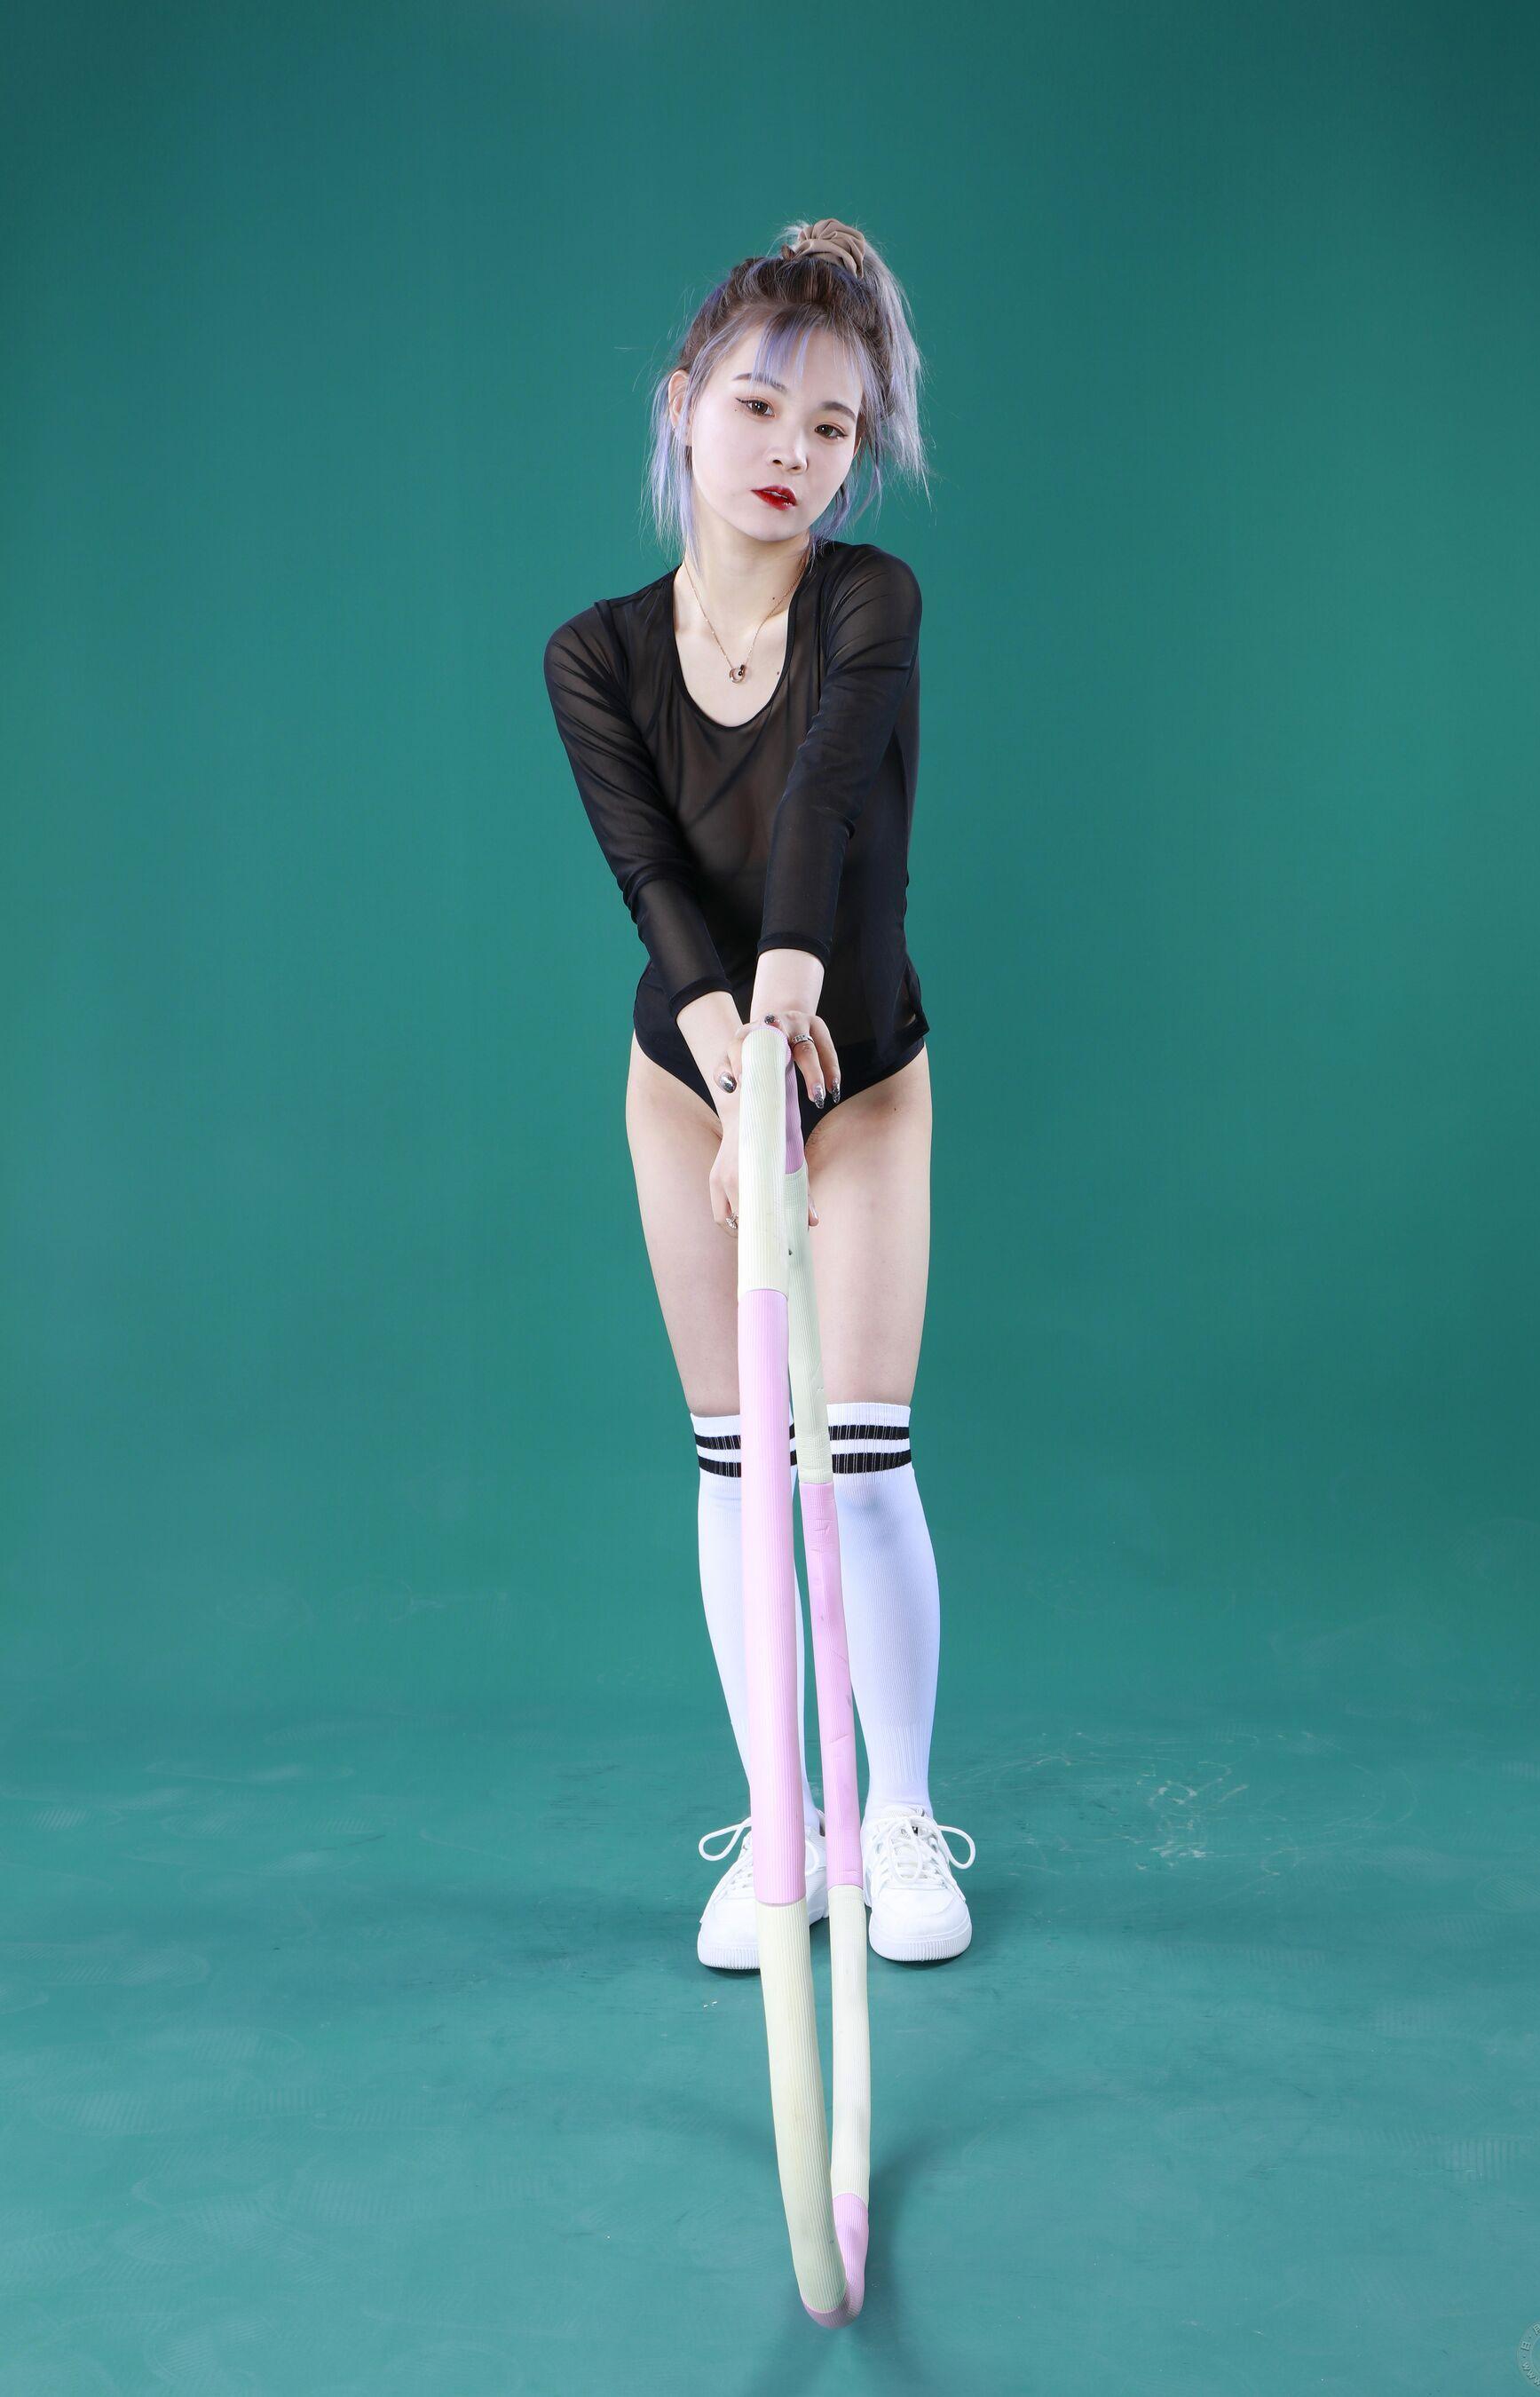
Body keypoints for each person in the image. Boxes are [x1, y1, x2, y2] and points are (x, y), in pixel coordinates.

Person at [543, 218, 975, 1968]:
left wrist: (785, 1027)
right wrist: (730, 1070)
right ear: (684, 404)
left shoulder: (872, 600)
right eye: (757, 406)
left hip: (854, 1071)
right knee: (739, 1461)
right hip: (688, 1080)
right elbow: (650, 872)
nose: (790, 449)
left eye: (831, 425)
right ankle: (782, 1825)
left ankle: (897, 1817)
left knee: (853, 1460)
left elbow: (822, 802)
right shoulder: (593, 654)